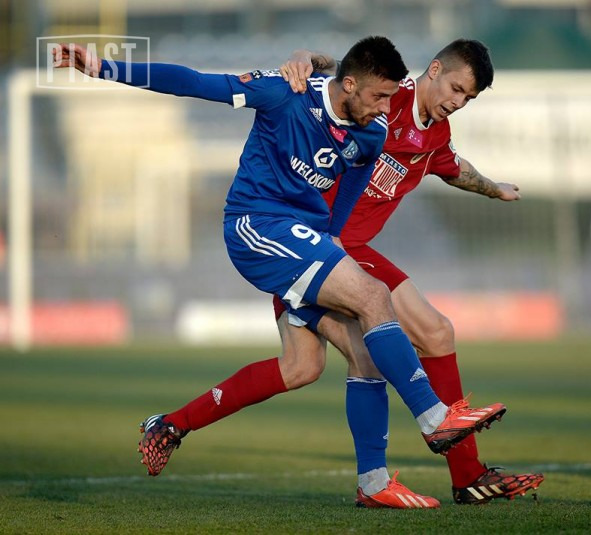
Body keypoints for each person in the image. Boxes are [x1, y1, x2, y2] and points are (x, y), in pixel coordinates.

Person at [54, 37, 507, 508]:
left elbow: (355, 180)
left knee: (323, 363)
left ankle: (366, 483)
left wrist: (333, 237)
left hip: (308, 243)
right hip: (256, 226)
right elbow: (193, 82)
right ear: (350, 85)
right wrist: (103, 67)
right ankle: (435, 419)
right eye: (379, 98)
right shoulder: (285, 92)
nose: (385, 109)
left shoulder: (371, 131)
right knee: (375, 297)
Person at [274, 39, 544, 507]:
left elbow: (453, 168)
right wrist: (308, 58)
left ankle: (460, 474)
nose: (458, 102)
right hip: (323, 241)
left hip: (357, 248)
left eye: (468, 98)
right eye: (456, 89)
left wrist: (492, 188)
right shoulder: (387, 96)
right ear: (434, 69)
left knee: (413, 340)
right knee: (418, 335)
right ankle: (447, 450)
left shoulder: (437, 133)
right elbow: (343, 80)